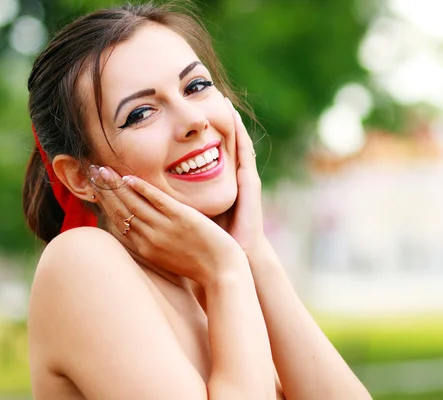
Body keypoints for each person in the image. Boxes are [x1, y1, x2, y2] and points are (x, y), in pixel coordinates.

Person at [23, 3, 372, 399]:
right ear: (80, 176)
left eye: (196, 86)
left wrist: (252, 252)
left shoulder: (215, 279)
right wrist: (227, 273)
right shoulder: (81, 262)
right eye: (140, 113)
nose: (193, 120)